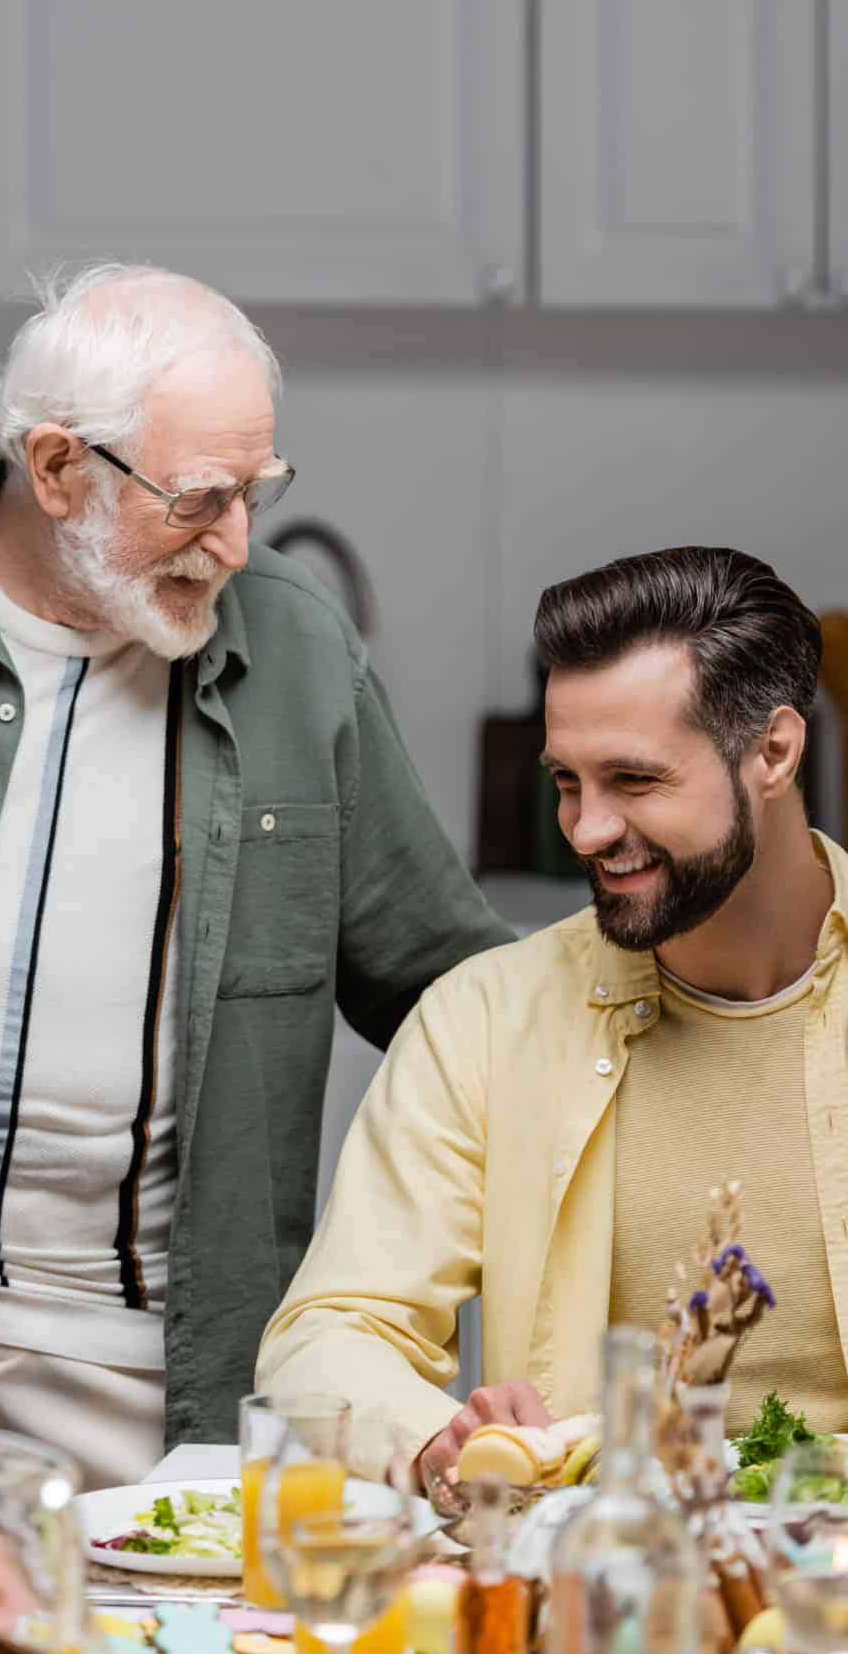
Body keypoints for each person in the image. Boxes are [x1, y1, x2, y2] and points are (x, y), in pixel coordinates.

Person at [0, 261, 510, 1654]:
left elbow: (452, 988)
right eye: (197, 499)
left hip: (146, 1381)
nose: (232, 541)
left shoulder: (292, 648)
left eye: (252, 492)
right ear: (54, 466)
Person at [258, 545, 846, 1487]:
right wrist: (432, 1435)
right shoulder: (483, 1019)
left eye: (635, 781)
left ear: (772, 752)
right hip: (593, 1591)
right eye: (567, 780)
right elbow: (328, 1336)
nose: (586, 829)